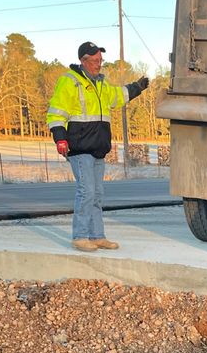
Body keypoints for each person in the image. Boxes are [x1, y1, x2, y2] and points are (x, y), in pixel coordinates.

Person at [47, 41, 150, 251]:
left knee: (97, 194)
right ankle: (80, 236)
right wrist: (60, 138)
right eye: (95, 61)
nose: (98, 64)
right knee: (86, 192)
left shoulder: (102, 84)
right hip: (80, 147)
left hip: (98, 148)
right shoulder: (70, 82)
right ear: (83, 60)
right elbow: (56, 113)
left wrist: (137, 87)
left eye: (100, 61)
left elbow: (118, 95)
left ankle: (97, 236)